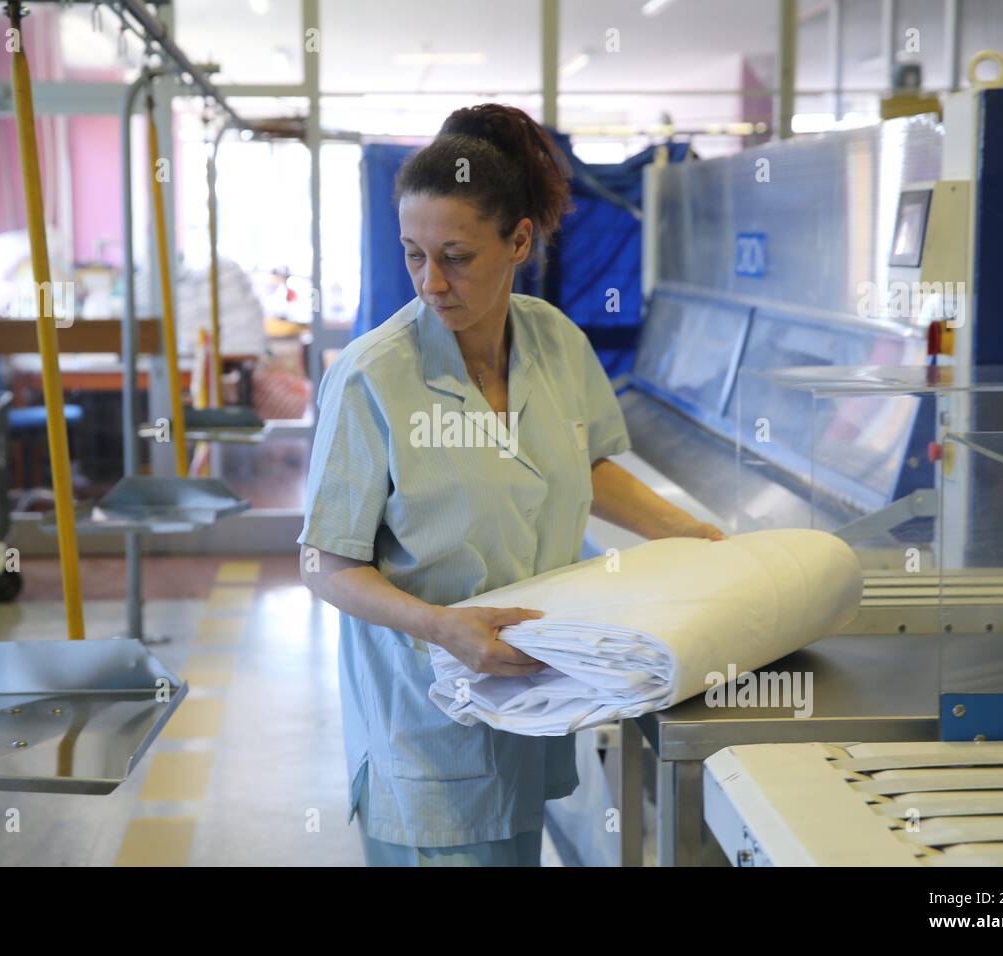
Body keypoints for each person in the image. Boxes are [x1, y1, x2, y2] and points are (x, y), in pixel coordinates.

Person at [298, 103, 723, 867]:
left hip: (529, 701)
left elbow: (584, 462)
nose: (432, 281)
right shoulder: (372, 377)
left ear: (519, 240)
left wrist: (687, 534)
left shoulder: (556, 343)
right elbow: (327, 566)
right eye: (413, 254)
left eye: (456, 256)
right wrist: (442, 627)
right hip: (425, 720)